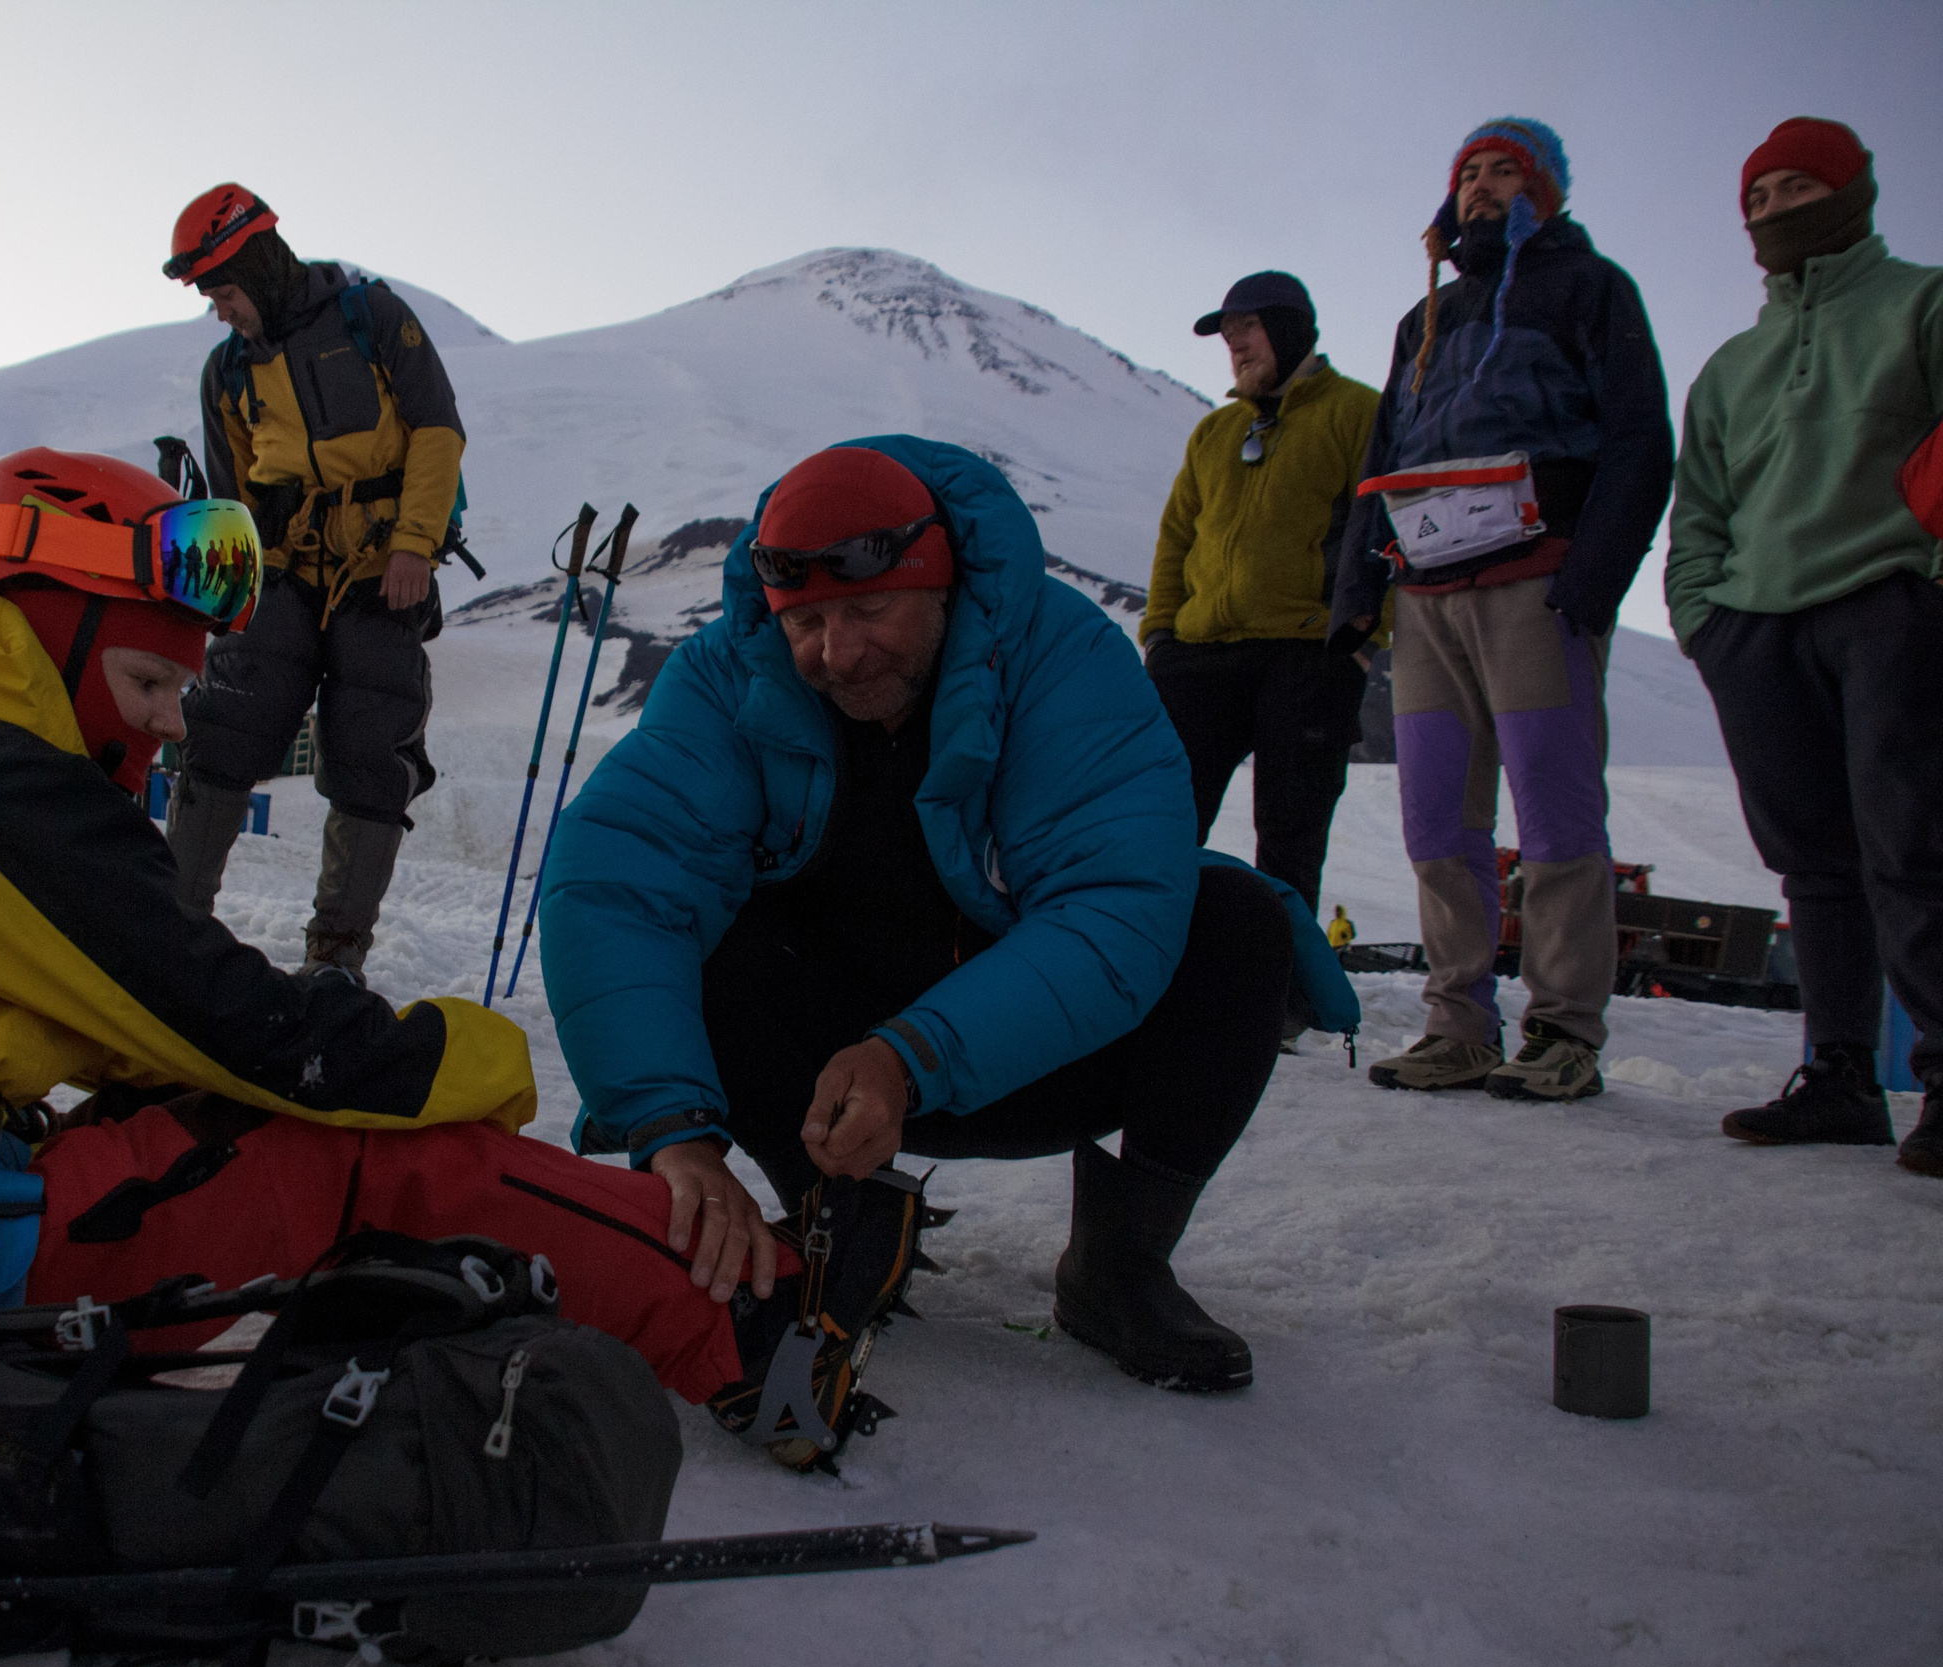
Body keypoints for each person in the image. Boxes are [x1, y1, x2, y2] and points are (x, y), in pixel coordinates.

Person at [0, 449, 928, 1473]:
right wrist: (468, 1059)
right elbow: (247, 1029)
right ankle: (756, 1322)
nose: (164, 724)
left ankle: (588, 1299)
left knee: (225, 1131)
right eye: (150, 679)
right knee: (363, 1149)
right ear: (62, 619)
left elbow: (151, 1034)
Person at [540, 438, 1356, 1396]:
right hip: (823, 1072)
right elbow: (617, 883)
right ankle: (834, 1224)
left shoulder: (1059, 656)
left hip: (1031, 1053)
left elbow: (1114, 910)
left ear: (937, 583)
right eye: (806, 623)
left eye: (871, 609)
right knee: (714, 933)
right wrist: (673, 1134)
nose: (838, 655)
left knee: (1235, 922)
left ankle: (1120, 1265)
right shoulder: (732, 676)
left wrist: (907, 1057)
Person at [1329, 118, 1673, 1102]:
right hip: (1428, 587)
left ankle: (1563, 1030)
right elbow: (1381, 460)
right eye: (1468, 173)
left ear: (1547, 191)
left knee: (1556, 811)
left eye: (1505, 171)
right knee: (1437, 817)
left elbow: (1640, 437)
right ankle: (1459, 1024)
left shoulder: (1589, 289)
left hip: (1539, 577)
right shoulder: (1418, 321)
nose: (1482, 187)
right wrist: (1358, 593)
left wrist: (1592, 578)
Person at [1663, 118, 1943, 1167]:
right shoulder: (1732, 367)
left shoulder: (1922, 302)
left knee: (1912, 843)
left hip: (1889, 601)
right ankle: (1839, 1078)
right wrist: (1706, 621)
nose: (1775, 211)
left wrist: (1930, 594)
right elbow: (1700, 510)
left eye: (1796, 188)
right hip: (1757, 630)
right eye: (1759, 197)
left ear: (1850, 192)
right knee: (1814, 864)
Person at [159, 182, 465, 983]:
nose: (221, 311)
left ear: (255, 266)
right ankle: (168, 925)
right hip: (283, 569)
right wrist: (226, 601)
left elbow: (437, 428)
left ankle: (334, 959)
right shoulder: (225, 372)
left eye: (224, 293)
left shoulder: (374, 318)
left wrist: (414, 545)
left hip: (381, 566)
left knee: (372, 746)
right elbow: (231, 497)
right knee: (223, 725)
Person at [1142, 271, 1381, 920]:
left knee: (1290, 839)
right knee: (1155, 824)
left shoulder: (1358, 411)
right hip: (1199, 651)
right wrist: (1160, 636)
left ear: (1289, 327)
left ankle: (1278, 1004)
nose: (1235, 345)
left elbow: (1387, 525)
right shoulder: (1215, 433)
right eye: (1227, 334)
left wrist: (1362, 640)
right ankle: (1142, 979)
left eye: (1246, 328)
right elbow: (1176, 539)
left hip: (1308, 651)